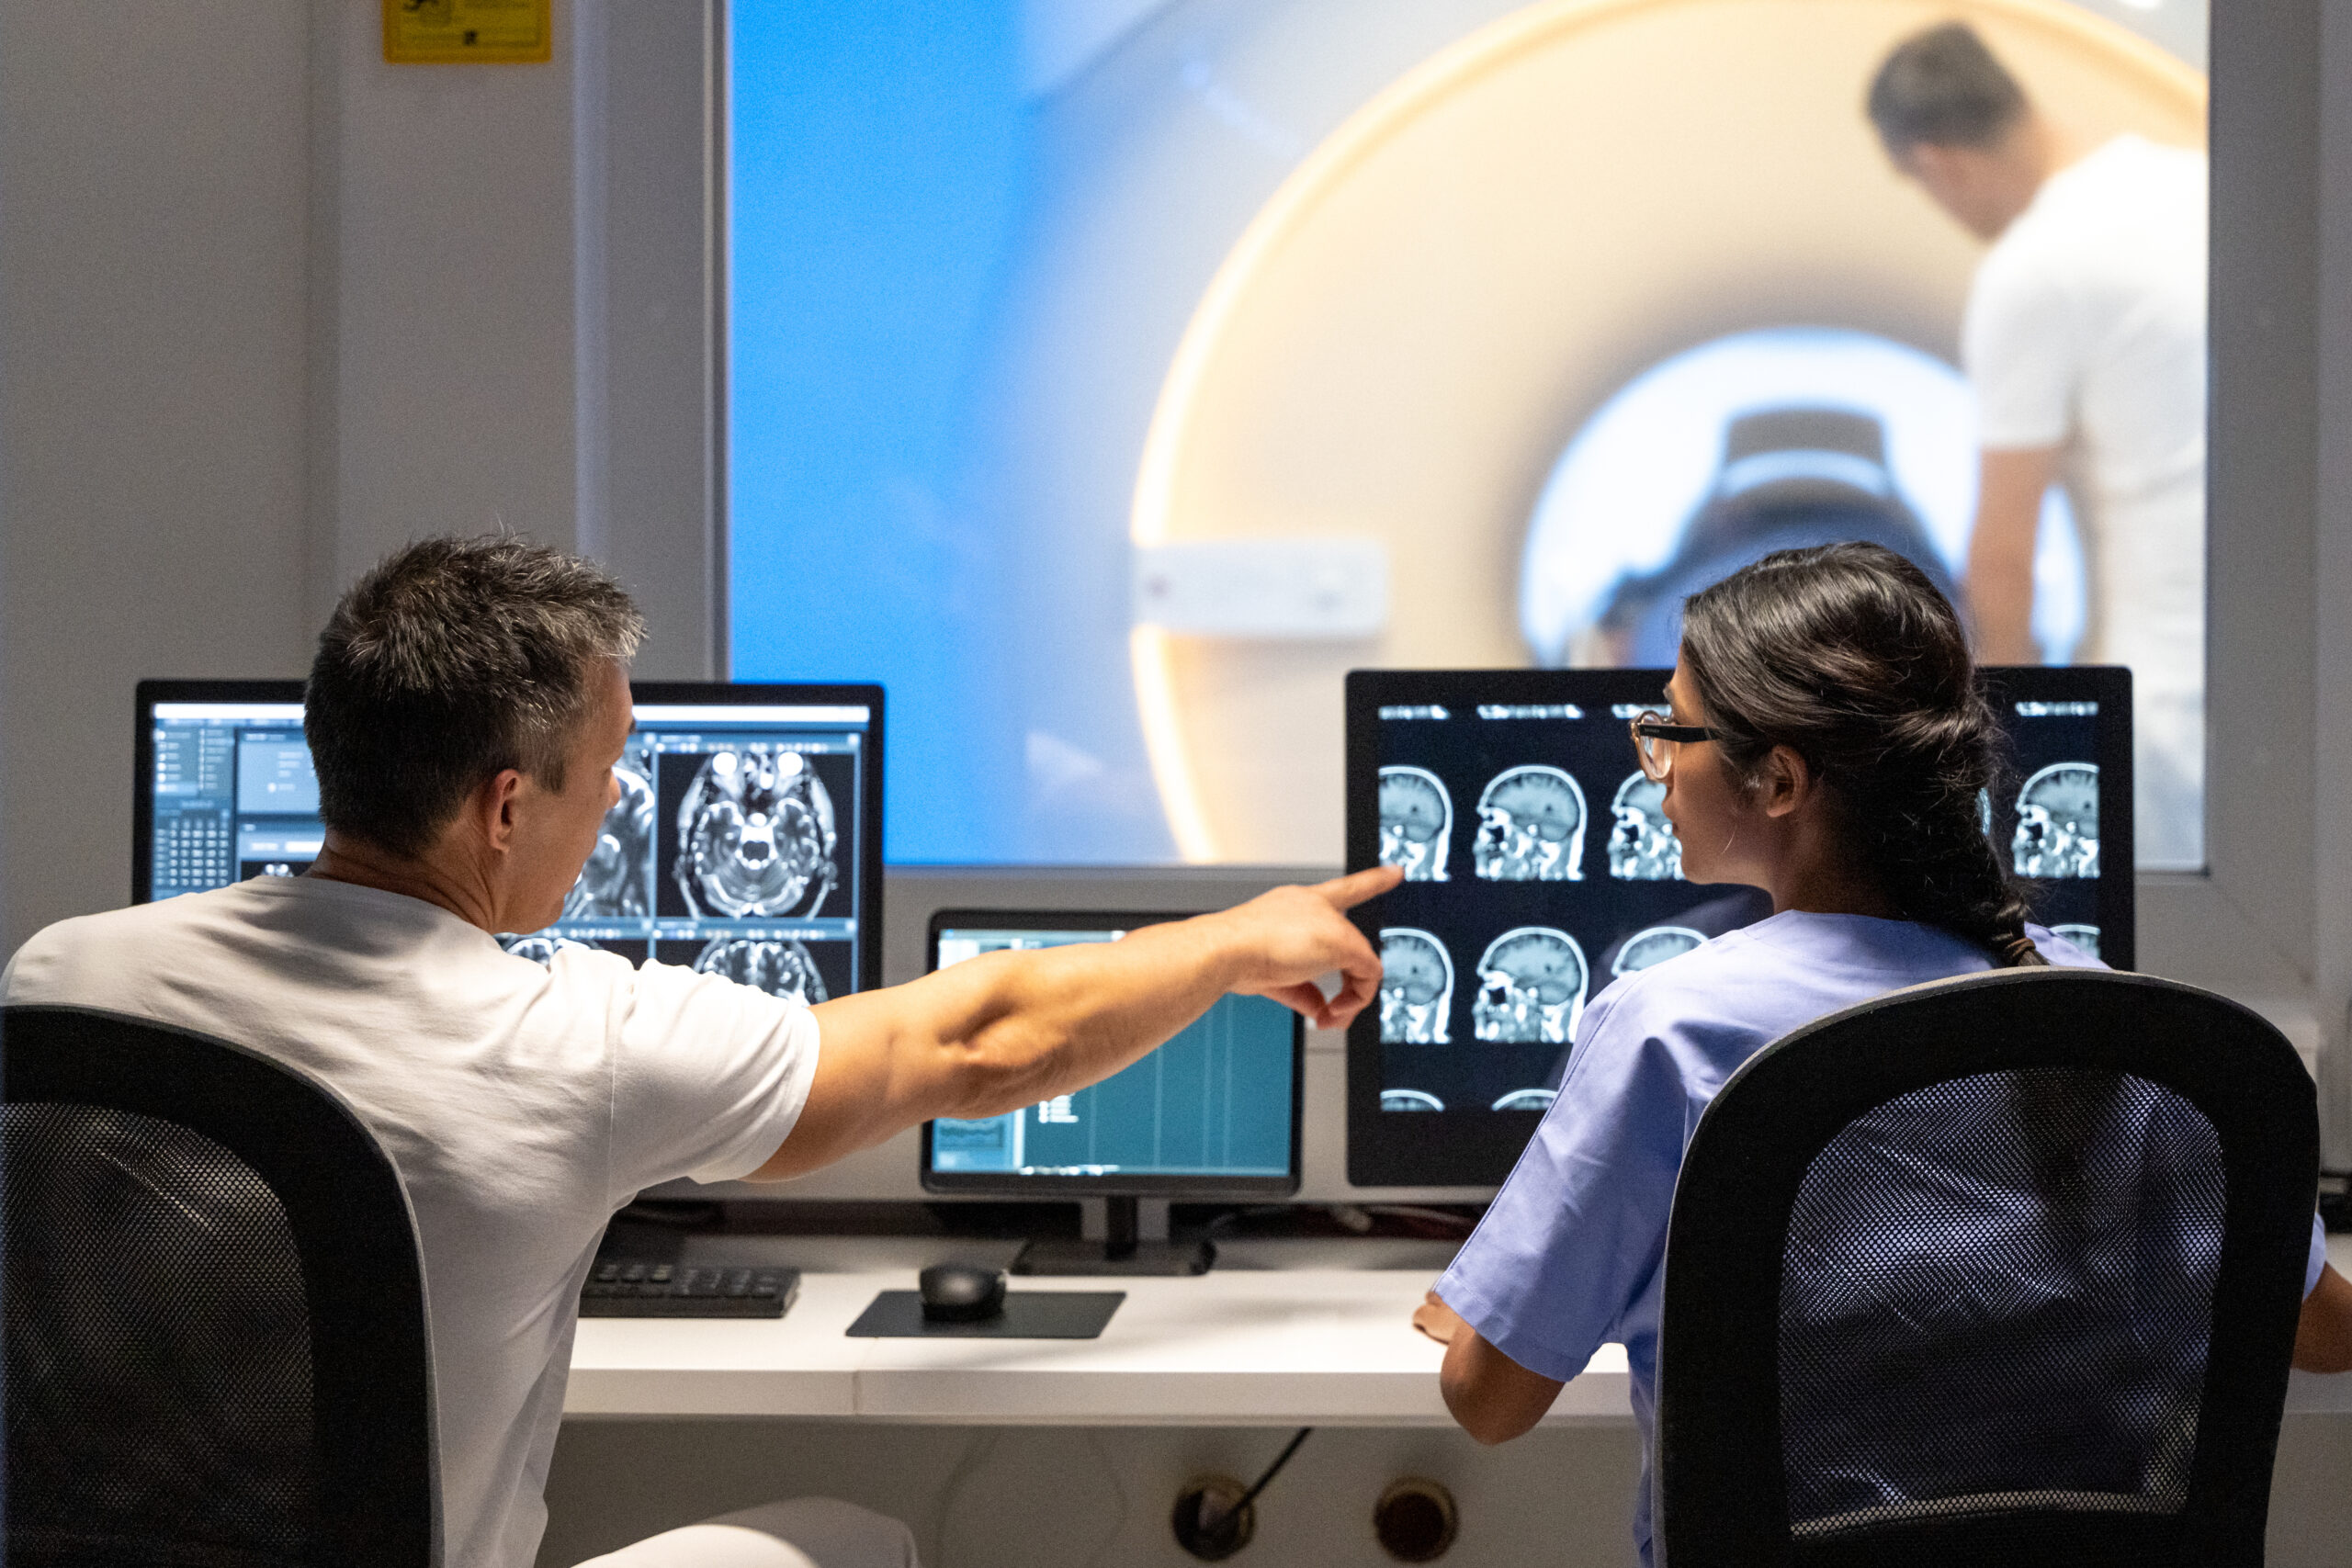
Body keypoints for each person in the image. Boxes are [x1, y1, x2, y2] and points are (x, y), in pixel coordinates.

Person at [1, 536, 1399, 1568]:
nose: (613, 807)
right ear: (502, 810)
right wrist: (1234, 939)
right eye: (608, 771)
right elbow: (978, 1040)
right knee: (858, 1540)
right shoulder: (574, 1043)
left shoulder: (64, 978)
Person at [1406, 543, 2345, 1567]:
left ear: (1778, 781)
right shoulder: (2120, 1027)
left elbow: (1488, 1403)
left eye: (1673, 730)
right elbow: (2325, 1337)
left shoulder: (1668, 1029)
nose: (1658, 765)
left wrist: (1487, 1311)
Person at [1867, 21, 2209, 867]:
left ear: (1939, 162)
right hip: (2287, 666)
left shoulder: (2036, 267)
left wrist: (1994, 764)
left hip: (2168, 697)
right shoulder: (2197, 185)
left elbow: (2005, 557)